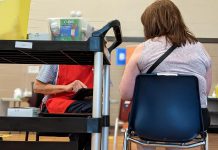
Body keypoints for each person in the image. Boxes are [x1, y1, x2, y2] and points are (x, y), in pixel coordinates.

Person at [119, 0, 212, 150]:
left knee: (145, 123)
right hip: (190, 123)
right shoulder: (200, 49)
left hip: (147, 122)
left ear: (149, 25)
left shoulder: (142, 50)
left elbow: (126, 93)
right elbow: (204, 92)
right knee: (178, 124)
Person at [34, 64, 94, 150]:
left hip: (84, 104)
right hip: (56, 104)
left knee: (94, 111)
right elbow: (37, 87)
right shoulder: (56, 58)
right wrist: (66, 87)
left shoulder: (96, 59)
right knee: (91, 111)